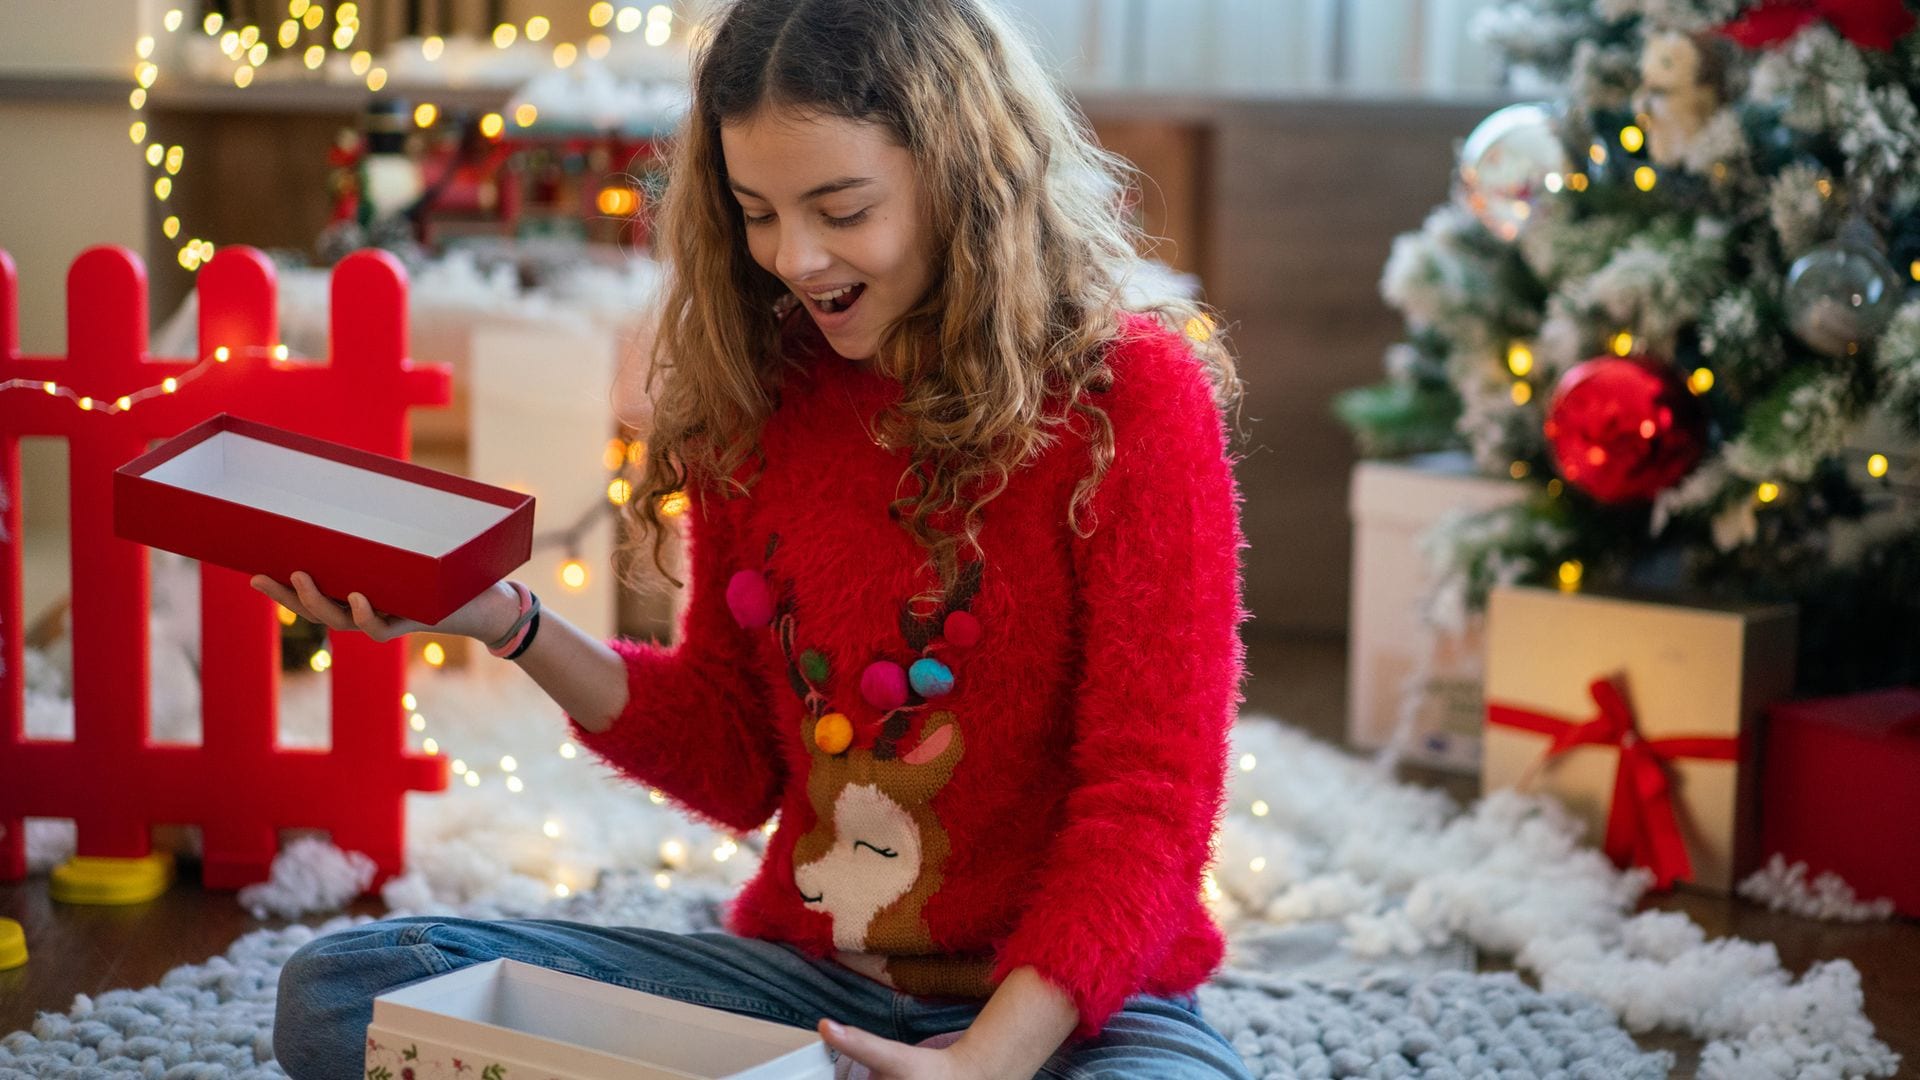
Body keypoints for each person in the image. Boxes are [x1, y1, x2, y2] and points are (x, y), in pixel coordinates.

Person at [263, 0, 1252, 1076]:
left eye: (842, 207)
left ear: (964, 178)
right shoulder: (765, 393)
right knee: (348, 994)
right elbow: (736, 758)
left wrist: (985, 1064)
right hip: (813, 995)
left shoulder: (1131, 400)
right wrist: (507, 622)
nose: (795, 256)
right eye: (757, 212)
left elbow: (1148, 805)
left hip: (1070, 1019)